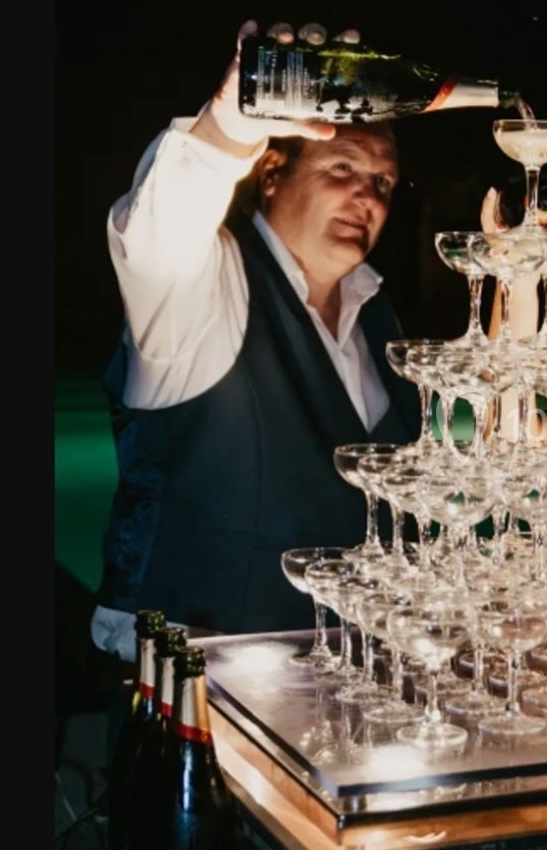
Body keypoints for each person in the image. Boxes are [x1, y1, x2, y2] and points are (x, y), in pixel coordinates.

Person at [90, 20, 423, 662]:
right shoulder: (205, 284)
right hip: (204, 706)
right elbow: (157, 225)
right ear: (271, 173)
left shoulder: (381, 322)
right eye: (343, 167)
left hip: (354, 697)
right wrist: (232, 125)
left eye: (382, 182)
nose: (366, 195)